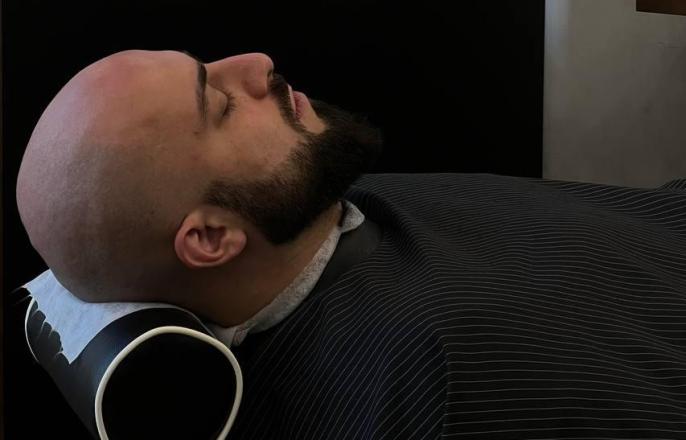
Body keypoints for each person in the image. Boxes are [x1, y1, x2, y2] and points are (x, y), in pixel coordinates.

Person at [16, 49, 686, 439]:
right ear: (213, 237)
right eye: (220, 105)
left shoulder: (320, 212)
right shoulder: (429, 386)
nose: (258, 64)